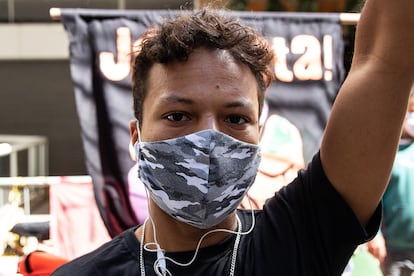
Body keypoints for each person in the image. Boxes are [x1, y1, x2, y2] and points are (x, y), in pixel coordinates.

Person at [52, 1, 414, 275]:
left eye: (235, 118)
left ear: (260, 134)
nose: (209, 136)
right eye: (178, 115)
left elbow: (385, 60)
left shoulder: (299, 238)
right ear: (137, 137)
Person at [367, 89, 414, 276]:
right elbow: (373, 200)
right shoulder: (389, 156)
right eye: (411, 111)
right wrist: (376, 236)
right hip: (394, 250)